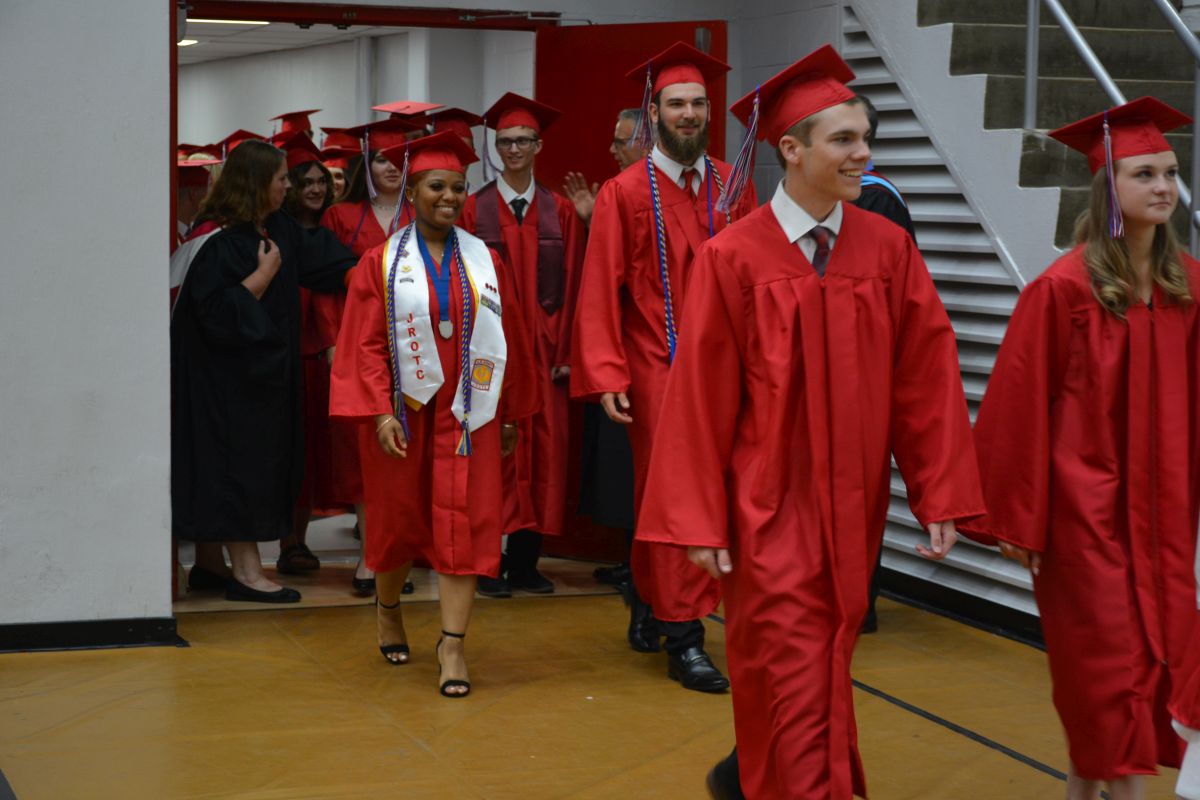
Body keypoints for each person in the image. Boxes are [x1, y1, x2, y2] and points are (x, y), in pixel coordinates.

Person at [637, 45, 986, 799]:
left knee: (821, 659)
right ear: (792, 150)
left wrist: (940, 493)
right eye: (844, 140)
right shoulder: (733, 258)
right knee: (789, 660)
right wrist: (699, 518)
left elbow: (924, 379)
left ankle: (748, 777)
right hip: (764, 506)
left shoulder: (887, 250)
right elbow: (698, 398)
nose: (864, 154)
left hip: (855, 508)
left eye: (866, 139)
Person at [960, 96, 1200, 800]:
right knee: (1107, 672)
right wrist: (1018, 521)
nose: (1164, 187)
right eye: (1145, 174)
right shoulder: (1062, 291)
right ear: (1108, 188)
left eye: (1171, 173)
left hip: (1169, 521)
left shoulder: (1188, 287)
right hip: (1083, 519)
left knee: (1147, 670)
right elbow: (1018, 408)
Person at [570, 42, 757, 692]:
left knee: (716, 492)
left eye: (698, 103)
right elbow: (601, 286)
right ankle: (685, 636)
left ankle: (650, 599)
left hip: (729, 370)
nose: (689, 114)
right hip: (658, 367)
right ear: (653, 113)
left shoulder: (733, 185)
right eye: (676, 103)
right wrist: (607, 372)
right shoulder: (624, 192)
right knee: (677, 496)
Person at [329, 132, 537, 694]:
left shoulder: (486, 260)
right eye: (437, 186)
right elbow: (364, 344)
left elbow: (509, 337)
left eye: (458, 188)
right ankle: (388, 609)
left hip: (470, 414)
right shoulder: (379, 262)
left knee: (465, 526)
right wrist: (379, 413)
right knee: (399, 524)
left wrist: (510, 414)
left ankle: (452, 646)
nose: (449, 197)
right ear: (414, 191)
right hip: (406, 413)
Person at [171, 139, 358, 603]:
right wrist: (261, 277)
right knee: (235, 468)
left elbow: (322, 259)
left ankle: (211, 564)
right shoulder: (215, 240)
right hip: (225, 385)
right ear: (256, 183)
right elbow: (214, 317)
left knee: (250, 466)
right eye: (280, 179)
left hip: (265, 381)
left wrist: (366, 272)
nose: (287, 186)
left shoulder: (278, 228)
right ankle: (247, 572)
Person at [460, 92, 586, 597]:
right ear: (496, 148)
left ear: (538, 146)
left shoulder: (561, 211)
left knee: (544, 456)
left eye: (522, 141)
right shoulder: (473, 209)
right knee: (494, 456)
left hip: (545, 355)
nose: (513, 149)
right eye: (505, 142)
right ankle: (486, 564)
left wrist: (566, 353)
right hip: (492, 355)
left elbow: (576, 284)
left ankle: (526, 563)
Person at [320, 117, 420, 595]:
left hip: (416, 346)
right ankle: (370, 556)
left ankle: (400, 554)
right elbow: (324, 286)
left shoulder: (422, 213)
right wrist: (332, 341)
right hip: (359, 342)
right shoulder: (341, 217)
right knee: (364, 453)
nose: (391, 168)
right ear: (367, 164)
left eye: (400, 159)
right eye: (382, 159)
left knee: (409, 453)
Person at [563, 108, 648, 226]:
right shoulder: (619, 195)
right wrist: (593, 219)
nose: (612, 150)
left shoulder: (667, 192)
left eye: (620, 143)